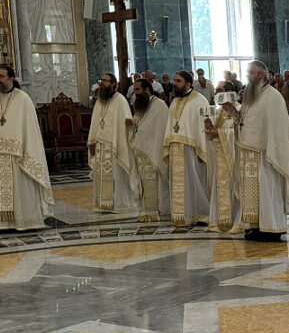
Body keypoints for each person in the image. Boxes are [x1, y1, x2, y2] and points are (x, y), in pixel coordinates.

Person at [214, 61, 289, 239]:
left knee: (267, 191)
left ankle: (271, 228)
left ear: (261, 75)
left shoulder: (273, 97)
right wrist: (233, 113)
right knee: (251, 193)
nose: (248, 76)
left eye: (251, 73)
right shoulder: (249, 96)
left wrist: (271, 149)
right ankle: (254, 226)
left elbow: (277, 129)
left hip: (266, 154)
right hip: (248, 153)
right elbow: (245, 121)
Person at [0, 64, 54, 231]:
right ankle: (4, 223)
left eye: (1, 76)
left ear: (11, 78)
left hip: (17, 154)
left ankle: (25, 221)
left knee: (21, 190)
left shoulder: (23, 99)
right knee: (1, 191)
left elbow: (30, 129)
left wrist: (26, 149)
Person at [164, 70, 211, 226]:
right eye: (174, 80)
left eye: (178, 81)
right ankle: (181, 214)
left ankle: (199, 213)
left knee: (194, 181)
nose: (175, 84)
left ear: (188, 84)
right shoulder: (174, 102)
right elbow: (170, 125)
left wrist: (202, 148)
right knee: (179, 183)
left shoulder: (200, 100)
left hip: (192, 149)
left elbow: (202, 125)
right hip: (175, 148)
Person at [87, 72, 138, 213]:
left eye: (105, 81)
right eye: (101, 80)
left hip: (115, 146)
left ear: (113, 84)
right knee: (101, 176)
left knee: (117, 177)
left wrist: (129, 125)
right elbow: (94, 122)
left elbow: (126, 122)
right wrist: (91, 141)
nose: (102, 83)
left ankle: (120, 204)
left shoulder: (120, 100)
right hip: (100, 145)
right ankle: (104, 204)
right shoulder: (99, 100)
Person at [129, 78, 170, 222]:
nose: (136, 93)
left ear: (147, 90)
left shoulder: (159, 106)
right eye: (134, 90)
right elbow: (138, 124)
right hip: (142, 150)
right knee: (145, 181)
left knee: (155, 180)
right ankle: (146, 209)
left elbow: (159, 129)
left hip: (154, 150)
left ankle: (157, 210)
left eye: (138, 90)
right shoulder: (142, 106)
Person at [204, 91, 240, 232]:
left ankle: (235, 220)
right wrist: (210, 128)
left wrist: (218, 133)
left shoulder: (238, 110)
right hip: (220, 155)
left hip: (233, 157)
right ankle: (221, 220)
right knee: (220, 187)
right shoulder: (220, 112)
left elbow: (239, 132)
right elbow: (218, 132)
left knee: (233, 187)